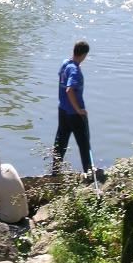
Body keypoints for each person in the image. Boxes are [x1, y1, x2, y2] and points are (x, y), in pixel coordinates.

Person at [52, 40, 91, 175]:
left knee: (60, 142)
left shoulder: (65, 64)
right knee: (84, 144)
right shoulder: (74, 70)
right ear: (84, 54)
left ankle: (55, 172)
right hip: (74, 114)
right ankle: (89, 173)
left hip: (62, 111)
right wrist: (78, 109)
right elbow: (69, 90)